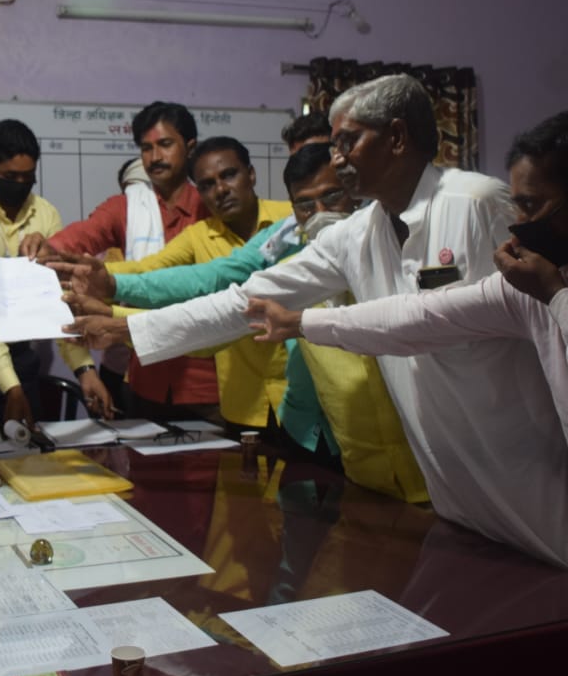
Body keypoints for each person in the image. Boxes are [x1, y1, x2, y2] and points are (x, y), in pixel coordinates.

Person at [251, 109, 568, 676]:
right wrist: (304, 322)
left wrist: (558, 298)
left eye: (531, 205)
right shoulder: (543, 284)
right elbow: (419, 317)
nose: (517, 222)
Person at [67, 74, 568, 569]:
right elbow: (246, 296)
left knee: (562, 598)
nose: (336, 159)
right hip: (443, 460)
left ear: (397, 138)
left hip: (522, 447)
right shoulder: (354, 233)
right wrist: (131, 329)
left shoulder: (476, 202)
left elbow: (545, 317)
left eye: (347, 142)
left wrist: (305, 324)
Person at [61, 144, 427, 501]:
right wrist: (115, 299)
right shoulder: (289, 240)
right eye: (305, 204)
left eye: (332, 198)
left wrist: (118, 320)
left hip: (416, 438)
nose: (319, 213)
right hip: (314, 431)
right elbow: (218, 290)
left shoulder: (393, 237)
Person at [62, 137, 292, 433]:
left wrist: (111, 290)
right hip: (244, 404)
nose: (220, 190)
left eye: (229, 175)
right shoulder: (199, 236)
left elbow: (213, 279)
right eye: (207, 184)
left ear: (251, 174)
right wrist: (104, 278)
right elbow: (153, 270)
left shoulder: (291, 219)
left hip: (307, 400)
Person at [30, 102, 219, 421]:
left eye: (165, 144)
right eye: (146, 148)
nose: (155, 157)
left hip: (210, 382)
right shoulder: (128, 207)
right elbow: (85, 234)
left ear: (190, 147)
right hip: (146, 379)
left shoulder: (213, 207)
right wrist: (49, 247)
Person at [0, 118, 112, 425]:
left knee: (28, 455)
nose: (20, 186)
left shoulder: (46, 214)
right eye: (10, 176)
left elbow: (58, 299)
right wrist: (10, 388)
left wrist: (85, 370)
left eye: (28, 178)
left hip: (19, 354)